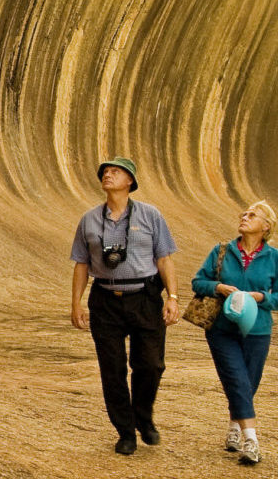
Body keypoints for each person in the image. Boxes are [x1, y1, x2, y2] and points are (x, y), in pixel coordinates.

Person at [70, 157, 181, 456]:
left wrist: (172, 297)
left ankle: (143, 417)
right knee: (112, 369)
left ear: (130, 181)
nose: (108, 174)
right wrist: (76, 303)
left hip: (144, 297)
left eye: (115, 171)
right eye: (105, 172)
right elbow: (81, 263)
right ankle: (125, 431)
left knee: (151, 364)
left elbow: (164, 258)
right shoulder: (89, 220)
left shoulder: (150, 216)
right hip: (105, 300)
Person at [190, 200, 278, 466]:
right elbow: (198, 281)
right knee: (237, 380)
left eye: (252, 215)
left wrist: (262, 298)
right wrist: (218, 288)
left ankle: (234, 429)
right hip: (222, 330)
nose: (245, 217)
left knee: (248, 385)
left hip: (258, 330)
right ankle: (252, 441)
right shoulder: (222, 250)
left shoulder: (275, 258)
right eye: (244, 214)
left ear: (266, 226)